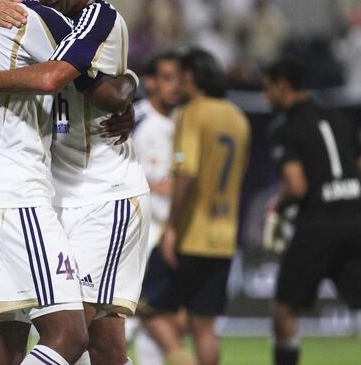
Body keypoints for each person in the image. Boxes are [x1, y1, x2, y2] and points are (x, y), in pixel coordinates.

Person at [0, 0, 149, 365]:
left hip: (100, 193)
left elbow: (99, 88)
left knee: (80, 339)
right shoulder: (14, 7)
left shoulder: (96, 18)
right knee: (67, 340)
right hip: (36, 192)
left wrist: (130, 90)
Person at [139, 48, 250, 365]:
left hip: (192, 231)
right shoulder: (237, 117)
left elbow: (187, 171)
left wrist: (172, 226)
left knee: (147, 307)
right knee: (205, 327)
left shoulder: (192, 113)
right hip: (225, 234)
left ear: (191, 78)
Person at [261, 57, 361, 365]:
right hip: (355, 219)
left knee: (284, 311)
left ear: (282, 85)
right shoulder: (338, 118)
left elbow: (297, 186)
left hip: (317, 225)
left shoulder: (285, 128)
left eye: (267, 89)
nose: (266, 97)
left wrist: (278, 205)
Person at [127, 52, 181, 365]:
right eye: (166, 78)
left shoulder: (182, 121)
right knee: (124, 321)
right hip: (139, 232)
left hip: (169, 233)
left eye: (178, 78)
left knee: (157, 324)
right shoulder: (137, 119)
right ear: (150, 82)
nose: (174, 86)